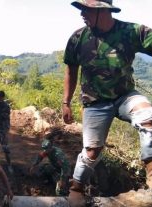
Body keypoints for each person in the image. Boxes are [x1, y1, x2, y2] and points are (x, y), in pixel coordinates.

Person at [63, 0, 152, 206]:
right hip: (94, 102)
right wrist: (65, 102)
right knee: (92, 151)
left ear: (102, 11)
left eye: (86, 10)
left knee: (148, 118)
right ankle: (76, 187)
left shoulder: (130, 31)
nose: (82, 14)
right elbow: (70, 70)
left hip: (125, 96)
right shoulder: (78, 38)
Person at [29, 128, 71, 196]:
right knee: (45, 167)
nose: (45, 151)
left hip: (63, 171)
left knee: (59, 189)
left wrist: (62, 180)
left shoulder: (58, 154)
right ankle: (48, 181)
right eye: (44, 149)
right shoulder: (47, 151)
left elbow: (65, 168)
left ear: (50, 147)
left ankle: (62, 194)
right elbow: (40, 156)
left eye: (46, 149)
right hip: (55, 167)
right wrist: (34, 165)